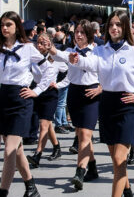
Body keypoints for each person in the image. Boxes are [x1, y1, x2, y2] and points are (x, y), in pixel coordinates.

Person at [62, 10, 134, 197]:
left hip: (127, 105)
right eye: (111, 25)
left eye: (118, 24)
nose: (114, 28)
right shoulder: (100, 51)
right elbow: (88, 63)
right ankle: (127, 190)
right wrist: (76, 60)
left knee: (119, 160)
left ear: (125, 27)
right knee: (117, 161)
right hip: (106, 105)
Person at [0, 11, 54, 197]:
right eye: (2, 25)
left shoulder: (27, 48)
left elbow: (49, 70)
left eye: (8, 24)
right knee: (16, 150)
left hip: (21, 100)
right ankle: (31, 187)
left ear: (17, 27)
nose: (5, 28)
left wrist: (36, 91)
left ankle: (3, 191)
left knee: (9, 150)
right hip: (3, 98)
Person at [48, 20, 102, 190]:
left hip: (92, 94)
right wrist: (48, 46)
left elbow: (108, 72)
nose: (79, 35)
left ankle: (79, 172)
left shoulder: (98, 51)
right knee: (80, 134)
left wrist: (101, 88)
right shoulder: (70, 51)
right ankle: (92, 168)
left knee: (86, 134)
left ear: (90, 34)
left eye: (83, 32)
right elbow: (57, 54)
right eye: (77, 32)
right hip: (75, 94)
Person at [26, 33, 69, 168]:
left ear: (50, 43)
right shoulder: (33, 57)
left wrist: (58, 84)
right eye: (38, 42)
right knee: (47, 123)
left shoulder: (55, 58)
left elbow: (69, 72)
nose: (40, 45)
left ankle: (37, 154)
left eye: (43, 43)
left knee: (44, 125)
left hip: (50, 94)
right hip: (37, 91)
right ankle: (56, 147)